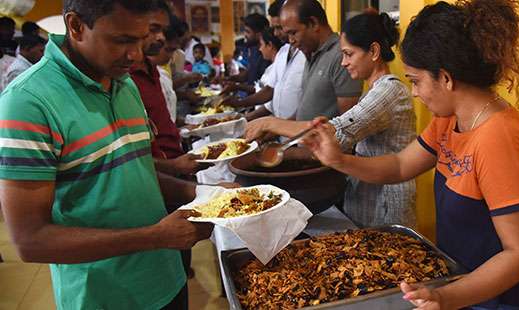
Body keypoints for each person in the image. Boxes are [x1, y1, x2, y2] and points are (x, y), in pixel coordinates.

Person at [302, 1, 519, 309]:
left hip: (498, 300)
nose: (413, 92)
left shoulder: (500, 139)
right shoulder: (450, 120)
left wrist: (445, 297)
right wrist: (340, 160)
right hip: (459, 288)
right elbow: (402, 165)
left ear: (445, 77)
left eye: (416, 81)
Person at [0, 1, 214, 309]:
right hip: (104, 296)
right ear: (75, 26)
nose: (136, 55)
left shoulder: (123, 83)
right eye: (122, 40)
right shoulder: (28, 102)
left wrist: (204, 192)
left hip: (166, 279)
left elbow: (134, 170)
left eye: (141, 39)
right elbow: (30, 241)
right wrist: (154, 237)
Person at [245, 11, 417, 227]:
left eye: (348, 54)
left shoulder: (389, 91)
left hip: (385, 203)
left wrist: (269, 122)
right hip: (366, 195)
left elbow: (337, 131)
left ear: (373, 51)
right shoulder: (373, 91)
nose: (344, 63)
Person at [130, 3, 206, 178]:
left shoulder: (153, 70)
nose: (160, 38)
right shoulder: (127, 77)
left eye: (163, 30)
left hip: (173, 160)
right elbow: (133, 152)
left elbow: (160, 118)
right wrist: (172, 166)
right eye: (154, 29)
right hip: (160, 172)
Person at [254, 0, 362, 123]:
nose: (290, 41)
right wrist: (279, 128)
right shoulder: (311, 53)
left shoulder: (340, 56)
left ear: (313, 23)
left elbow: (348, 124)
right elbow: (306, 110)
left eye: (293, 33)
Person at [222, 0, 307, 122]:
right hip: (281, 129)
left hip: (299, 129)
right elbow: (269, 90)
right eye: (274, 28)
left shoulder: (306, 52)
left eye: (279, 28)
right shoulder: (283, 52)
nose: (276, 33)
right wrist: (240, 103)